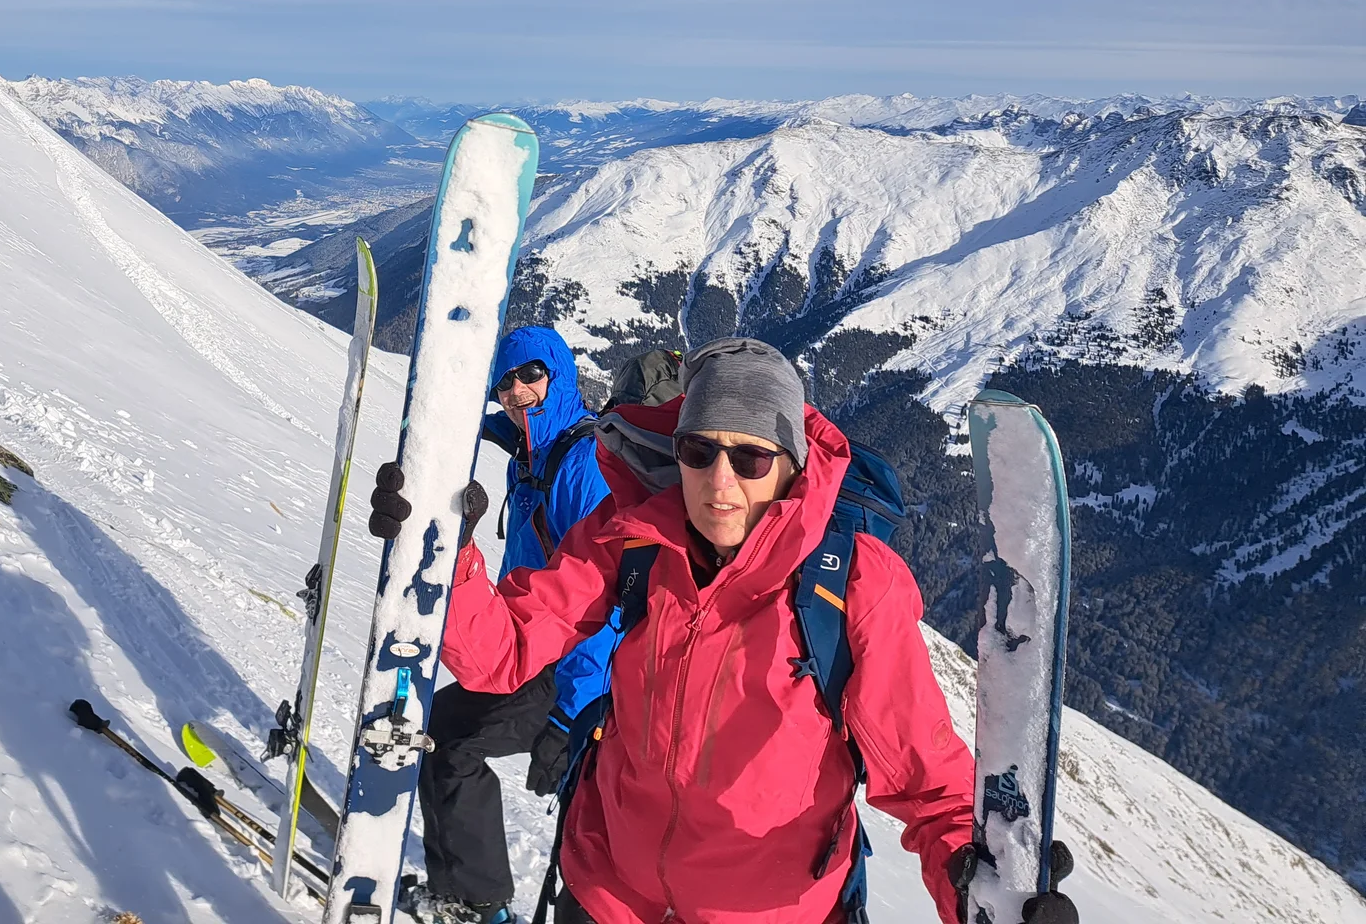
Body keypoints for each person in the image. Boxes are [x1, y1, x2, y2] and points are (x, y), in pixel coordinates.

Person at [415, 336, 1078, 924]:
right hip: (608, 891)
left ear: (792, 462)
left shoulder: (847, 584)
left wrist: (971, 874)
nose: (719, 481)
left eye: (751, 458)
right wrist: (447, 558)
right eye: (699, 451)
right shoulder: (633, 540)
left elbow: (925, 778)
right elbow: (504, 655)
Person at [414, 327, 616, 924]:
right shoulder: (531, 458)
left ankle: (478, 904)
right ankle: (464, 893)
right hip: (530, 646)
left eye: (529, 375)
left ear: (559, 374)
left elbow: (608, 596)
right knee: (436, 732)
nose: (516, 391)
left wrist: (571, 710)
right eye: (504, 382)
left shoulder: (585, 463)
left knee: (453, 747)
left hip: (578, 672)